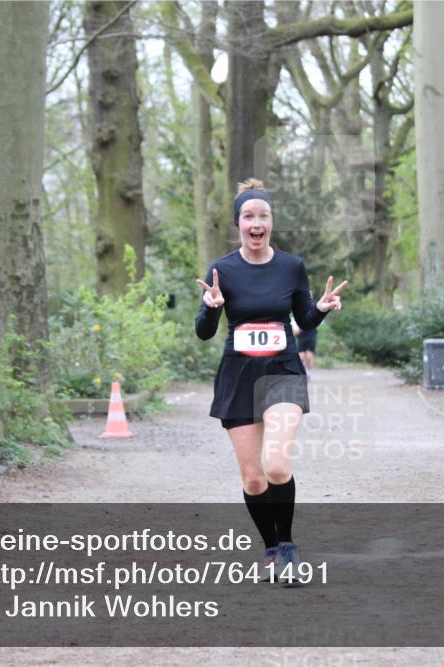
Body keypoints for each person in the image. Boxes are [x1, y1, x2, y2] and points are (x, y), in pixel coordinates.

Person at [195, 178, 347, 583]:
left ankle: (289, 549)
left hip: (282, 372)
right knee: (253, 477)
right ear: (239, 223)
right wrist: (211, 309)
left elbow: (305, 318)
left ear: (271, 223)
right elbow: (204, 332)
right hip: (239, 376)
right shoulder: (221, 270)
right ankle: (270, 550)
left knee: (276, 465)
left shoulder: (291, 266)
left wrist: (321, 308)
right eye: (248, 216)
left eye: (263, 216)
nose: (256, 223)